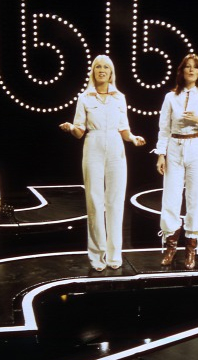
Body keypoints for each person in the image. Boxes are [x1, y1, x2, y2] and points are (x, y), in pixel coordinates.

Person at [60, 55, 146, 272]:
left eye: (106, 67)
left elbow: (124, 128)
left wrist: (133, 138)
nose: (101, 70)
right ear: (93, 71)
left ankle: (115, 254)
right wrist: (71, 128)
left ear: (111, 72)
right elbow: (80, 131)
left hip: (116, 146)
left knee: (115, 202)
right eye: (98, 66)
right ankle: (97, 255)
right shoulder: (84, 98)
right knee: (95, 201)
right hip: (93, 145)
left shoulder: (119, 97)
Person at [153, 53, 198, 270]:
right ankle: (170, 245)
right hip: (174, 146)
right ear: (181, 71)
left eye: (195, 67)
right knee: (171, 197)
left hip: (196, 145)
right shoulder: (170, 97)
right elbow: (164, 128)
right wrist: (161, 154)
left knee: (196, 197)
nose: (191, 70)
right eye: (187, 67)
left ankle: (191, 247)